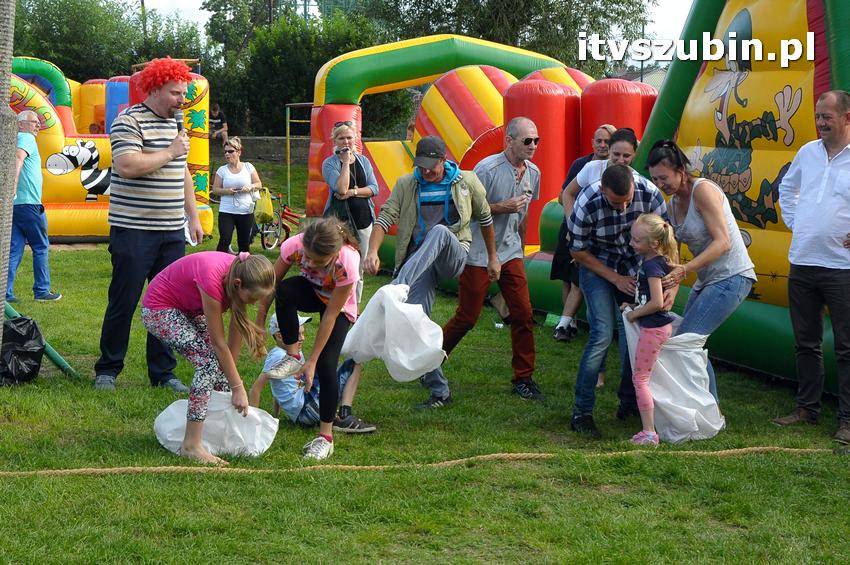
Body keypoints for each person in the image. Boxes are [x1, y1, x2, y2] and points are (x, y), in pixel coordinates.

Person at [364, 135, 500, 410]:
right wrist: (372, 252)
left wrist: (493, 258)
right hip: (421, 262)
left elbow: (485, 219)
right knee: (415, 322)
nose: (425, 171)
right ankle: (439, 390)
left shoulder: (466, 181)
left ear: (443, 159)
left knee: (438, 231)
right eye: (421, 165)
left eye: (431, 166)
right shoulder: (407, 183)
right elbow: (385, 217)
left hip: (453, 253)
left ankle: (398, 284)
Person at [94, 57, 204, 392]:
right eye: (175, 93)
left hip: (171, 231)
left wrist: (193, 214)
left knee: (167, 305)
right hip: (134, 229)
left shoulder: (177, 125)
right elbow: (127, 165)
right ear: (155, 88)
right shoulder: (128, 120)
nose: (182, 100)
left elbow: (182, 170)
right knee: (124, 300)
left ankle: (163, 373)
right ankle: (108, 370)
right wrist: (171, 151)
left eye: (184, 93)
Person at [440, 117, 542, 401]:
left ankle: (523, 378)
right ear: (509, 141)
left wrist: (520, 249)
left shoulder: (533, 171)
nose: (533, 146)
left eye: (536, 140)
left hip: (510, 252)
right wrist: (500, 207)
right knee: (467, 317)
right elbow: (464, 212)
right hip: (478, 253)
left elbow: (523, 216)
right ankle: (431, 363)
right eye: (527, 141)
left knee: (523, 313)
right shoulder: (487, 169)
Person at [647, 140, 757, 402]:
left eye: (664, 177)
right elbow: (673, 252)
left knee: (687, 343)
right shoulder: (673, 204)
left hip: (733, 277)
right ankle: (694, 403)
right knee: (684, 342)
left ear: (681, 171)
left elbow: (723, 242)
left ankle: (709, 408)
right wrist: (670, 287)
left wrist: (685, 271)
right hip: (708, 280)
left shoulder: (704, 191)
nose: (661, 184)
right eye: (655, 179)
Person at [141, 251, 276, 464]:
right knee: (208, 364)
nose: (252, 304)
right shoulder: (213, 280)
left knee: (220, 368)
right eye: (252, 298)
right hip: (159, 310)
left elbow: (232, 343)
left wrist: (230, 379)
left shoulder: (239, 276)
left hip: (187, 308)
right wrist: (238, 388)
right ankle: (191, 444)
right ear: (238, 285)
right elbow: (218, 344)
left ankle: (215, 435)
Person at [568, 164, 668, 439]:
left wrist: (669, 282)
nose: (623, 208)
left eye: (627, 201)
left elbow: (668, 240)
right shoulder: (586, 201)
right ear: (602, 190)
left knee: (633, 337)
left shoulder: (649, 193)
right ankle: (582, 413)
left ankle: (629, 404)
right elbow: (577, 251)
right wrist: (614, 278)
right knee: (601, 334)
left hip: (637, 269)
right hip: (598, 266)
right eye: (615, 202)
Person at [774, 90, 850, 444]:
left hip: (842, 267)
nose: (820, 123)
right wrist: (798, 222)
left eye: (827, 117)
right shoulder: (807, 152)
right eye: (818, 116)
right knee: (806, 342)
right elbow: (786, 190)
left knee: (847, 347)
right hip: (803, 261)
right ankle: (807, 408)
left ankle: (847, 420)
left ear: (847, 118)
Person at [259, 217, 362, 460]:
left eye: (318, 261)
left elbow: (329, 318)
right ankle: (293, 355)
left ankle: (325, 437)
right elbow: (272, 286)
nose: (309, 263)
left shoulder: (347, 263)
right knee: (284, 291)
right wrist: (259, 322)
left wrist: (312, 360)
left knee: (327, 364)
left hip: (338, 307)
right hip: (313, 292)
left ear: (334, 254)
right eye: (307, 257)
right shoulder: (293, 246)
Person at [249, 314, 375, 433]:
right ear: (280, 336)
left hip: (307, 408)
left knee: (344, 364)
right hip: (307, 409)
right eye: (298, 335)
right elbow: (256, 389)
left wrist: (275, 415)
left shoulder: (294, 351)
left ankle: (336, 415)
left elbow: (278, 385)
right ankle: (342, 416)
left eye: (303, 333)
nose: (302, 338)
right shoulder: (277, 356)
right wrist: (253, 423)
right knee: (350, 363)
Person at [551, 124, 615, 342]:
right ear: (592, 142)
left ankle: (562, 324)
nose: (603, 145)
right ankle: (571, 322)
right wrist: (573, 222)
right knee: (566, 280)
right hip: (570, 226)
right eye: (599, 140)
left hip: (593, 234)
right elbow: (563, 195)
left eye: (608, 141)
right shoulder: (582, 164)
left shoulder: (617, 168)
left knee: (578, 280)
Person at [621, 214, 678, 446]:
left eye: (636, 241)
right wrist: (632, 305)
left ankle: (649, 432)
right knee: (646, 376)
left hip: (653, 329)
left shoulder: (653, 265)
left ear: (653, 244)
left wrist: (633, 315)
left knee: (640, 378)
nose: (631, 244)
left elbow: (656, 302)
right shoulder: (658, 260)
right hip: (657, 327)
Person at [7, 111, 62, 303]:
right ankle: (42, 291)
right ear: (21, 124)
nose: (38, 126)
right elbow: (18, 159)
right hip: (29, 204)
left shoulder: (13, 139)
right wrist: (13, 184)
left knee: (14, 249)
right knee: (40, 246)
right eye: (34, 122)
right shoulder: (26, 138)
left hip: (14, 205)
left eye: (39, 123)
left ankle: (6, 293)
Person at [321, 121, 379, 303]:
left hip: (363, 221)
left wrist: (354, 192)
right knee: (335, 263)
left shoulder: (364, 161)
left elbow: (374, 188)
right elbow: (341, 188)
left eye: (349, 137)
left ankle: (355, 308)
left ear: (355, 139)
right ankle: (333, 303)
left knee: (358, 266)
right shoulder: (329, 164)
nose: (346, 142)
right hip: (339, 223)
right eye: (341, 138)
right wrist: (345, 163)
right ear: (335, 141)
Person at [212, 137, 262, 253]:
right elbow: (215, 190)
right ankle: (218, 267)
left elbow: (259, 184)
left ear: (239, 152)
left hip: (245, 211)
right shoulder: (222, 170)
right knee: (225, 240)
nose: (227, 154)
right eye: (225, 152)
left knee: (244, 243)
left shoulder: (248, 167)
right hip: (226, 211)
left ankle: (243, 269)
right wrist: (227, 191)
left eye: (230, 151)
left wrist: (250, 187)